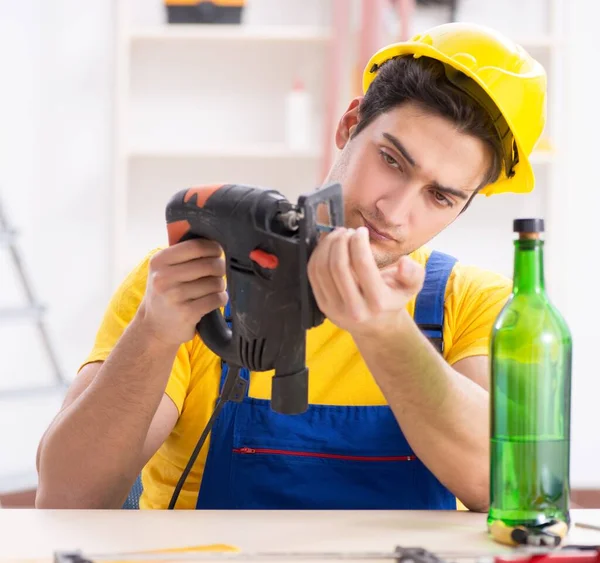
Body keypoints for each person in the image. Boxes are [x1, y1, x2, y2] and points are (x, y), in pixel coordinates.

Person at [35, 22, 547, 512]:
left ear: (463, 206)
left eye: (439, 195)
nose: (394, 210)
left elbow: (506, 488)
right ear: (349, 125)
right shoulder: (191, 281)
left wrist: (386, 334)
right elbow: (67, 500)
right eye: (391, 160)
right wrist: (151, 334)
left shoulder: (473, 303)